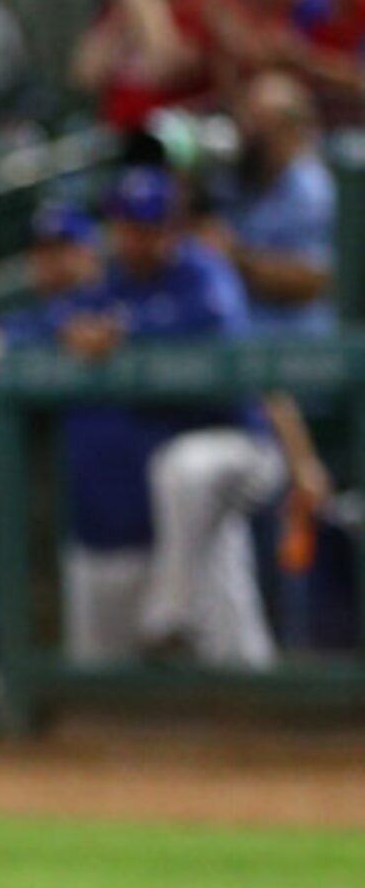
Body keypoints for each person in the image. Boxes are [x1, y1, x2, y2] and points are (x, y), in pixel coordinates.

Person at [81, 169, 333, 666]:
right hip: (186, 482)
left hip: (241, 447)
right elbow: (68, 323)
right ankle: (252, 678)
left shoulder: (204, 273)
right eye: (125, 224)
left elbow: (231, 349)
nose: (132, 236)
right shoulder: (112, 284)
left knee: (183, 468)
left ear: (173, 228)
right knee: (219, 564)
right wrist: (81, 332)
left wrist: (302, 461)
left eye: (145, 224)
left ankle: (170, 612)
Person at [0, 204, 161, 662]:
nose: (54, 262)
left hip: (166, 536)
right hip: (88, 543)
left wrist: (110, 332)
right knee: (101, 689)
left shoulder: (130, 298)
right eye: (44, 252)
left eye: (65, 249)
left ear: (92, 253)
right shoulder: (36, 322)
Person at [213, 71, 339, 338]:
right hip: (241, 339)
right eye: (245, 119)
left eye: (258, 122)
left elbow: (310, 281)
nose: (247, 131)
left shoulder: (308, 187)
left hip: (294, 345)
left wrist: (234, 258)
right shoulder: (238, 176)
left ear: (286, 127)